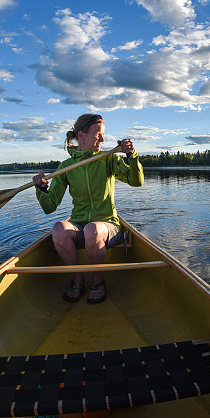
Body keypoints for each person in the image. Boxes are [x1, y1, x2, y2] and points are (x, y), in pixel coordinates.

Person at [32, 113, 144, 304]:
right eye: (98, 134)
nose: (103, 139)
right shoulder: (66, 167)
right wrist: (42, 188)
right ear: (81, 135)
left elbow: (137, 181)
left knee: (93, 229)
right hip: (80, 225)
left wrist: (131, 156)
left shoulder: (108, 159)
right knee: (59, 229)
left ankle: (98, 281)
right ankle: (77, 278)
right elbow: (49, 207)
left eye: (103, 134)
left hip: (108, 226)